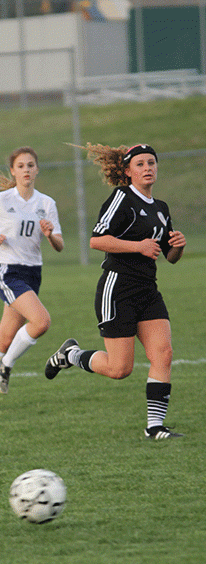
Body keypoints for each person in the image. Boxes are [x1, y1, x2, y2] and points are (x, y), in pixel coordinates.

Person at [45, 143, 186, 440]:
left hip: (148, 289)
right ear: (127, 172)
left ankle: (155, 427)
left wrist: (177, 248)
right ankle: (71, 355)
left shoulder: (160, 209)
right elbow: (97, 240)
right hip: (117, 288)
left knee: (163, 354)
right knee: (120, 368)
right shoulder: (122, 198)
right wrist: (137, 246)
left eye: (151, 162)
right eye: (140, 164)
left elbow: (168, 257)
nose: (147, 168)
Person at [0, 146, 64, 412]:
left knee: (5, 338)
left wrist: (50, 235)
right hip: (8, 271)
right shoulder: (1, 199)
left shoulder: (46, 204)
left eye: (31, 165)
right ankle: (6, 366)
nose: (26, 170)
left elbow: (60, 246)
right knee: (41, 322)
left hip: (33, 272)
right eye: (21, 166)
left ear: (37, 169)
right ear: (13, 171)